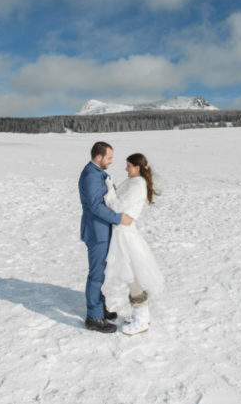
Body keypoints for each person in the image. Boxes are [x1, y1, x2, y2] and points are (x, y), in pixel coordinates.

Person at [103, 153, 164, 335]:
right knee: (132, 276)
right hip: (123, 231)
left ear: (137, 168)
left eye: (128, 166)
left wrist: (109, 188)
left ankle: (141, 320)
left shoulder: (137, 184)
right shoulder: (134, 182)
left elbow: (117, 206)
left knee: (132, 278)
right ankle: (141, 315)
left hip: (126, 235)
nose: (125, 169)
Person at [78, 141, 133, 333]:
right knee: (95, 275)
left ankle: (99, 307)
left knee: (99, 272)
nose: (111, 161)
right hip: (96, 231)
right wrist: (118, 218)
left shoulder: (97, 173)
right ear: (98, 157)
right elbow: (95, 206)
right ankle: (94, 317)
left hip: (101, 229)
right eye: (109, 157)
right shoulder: (91, 176)